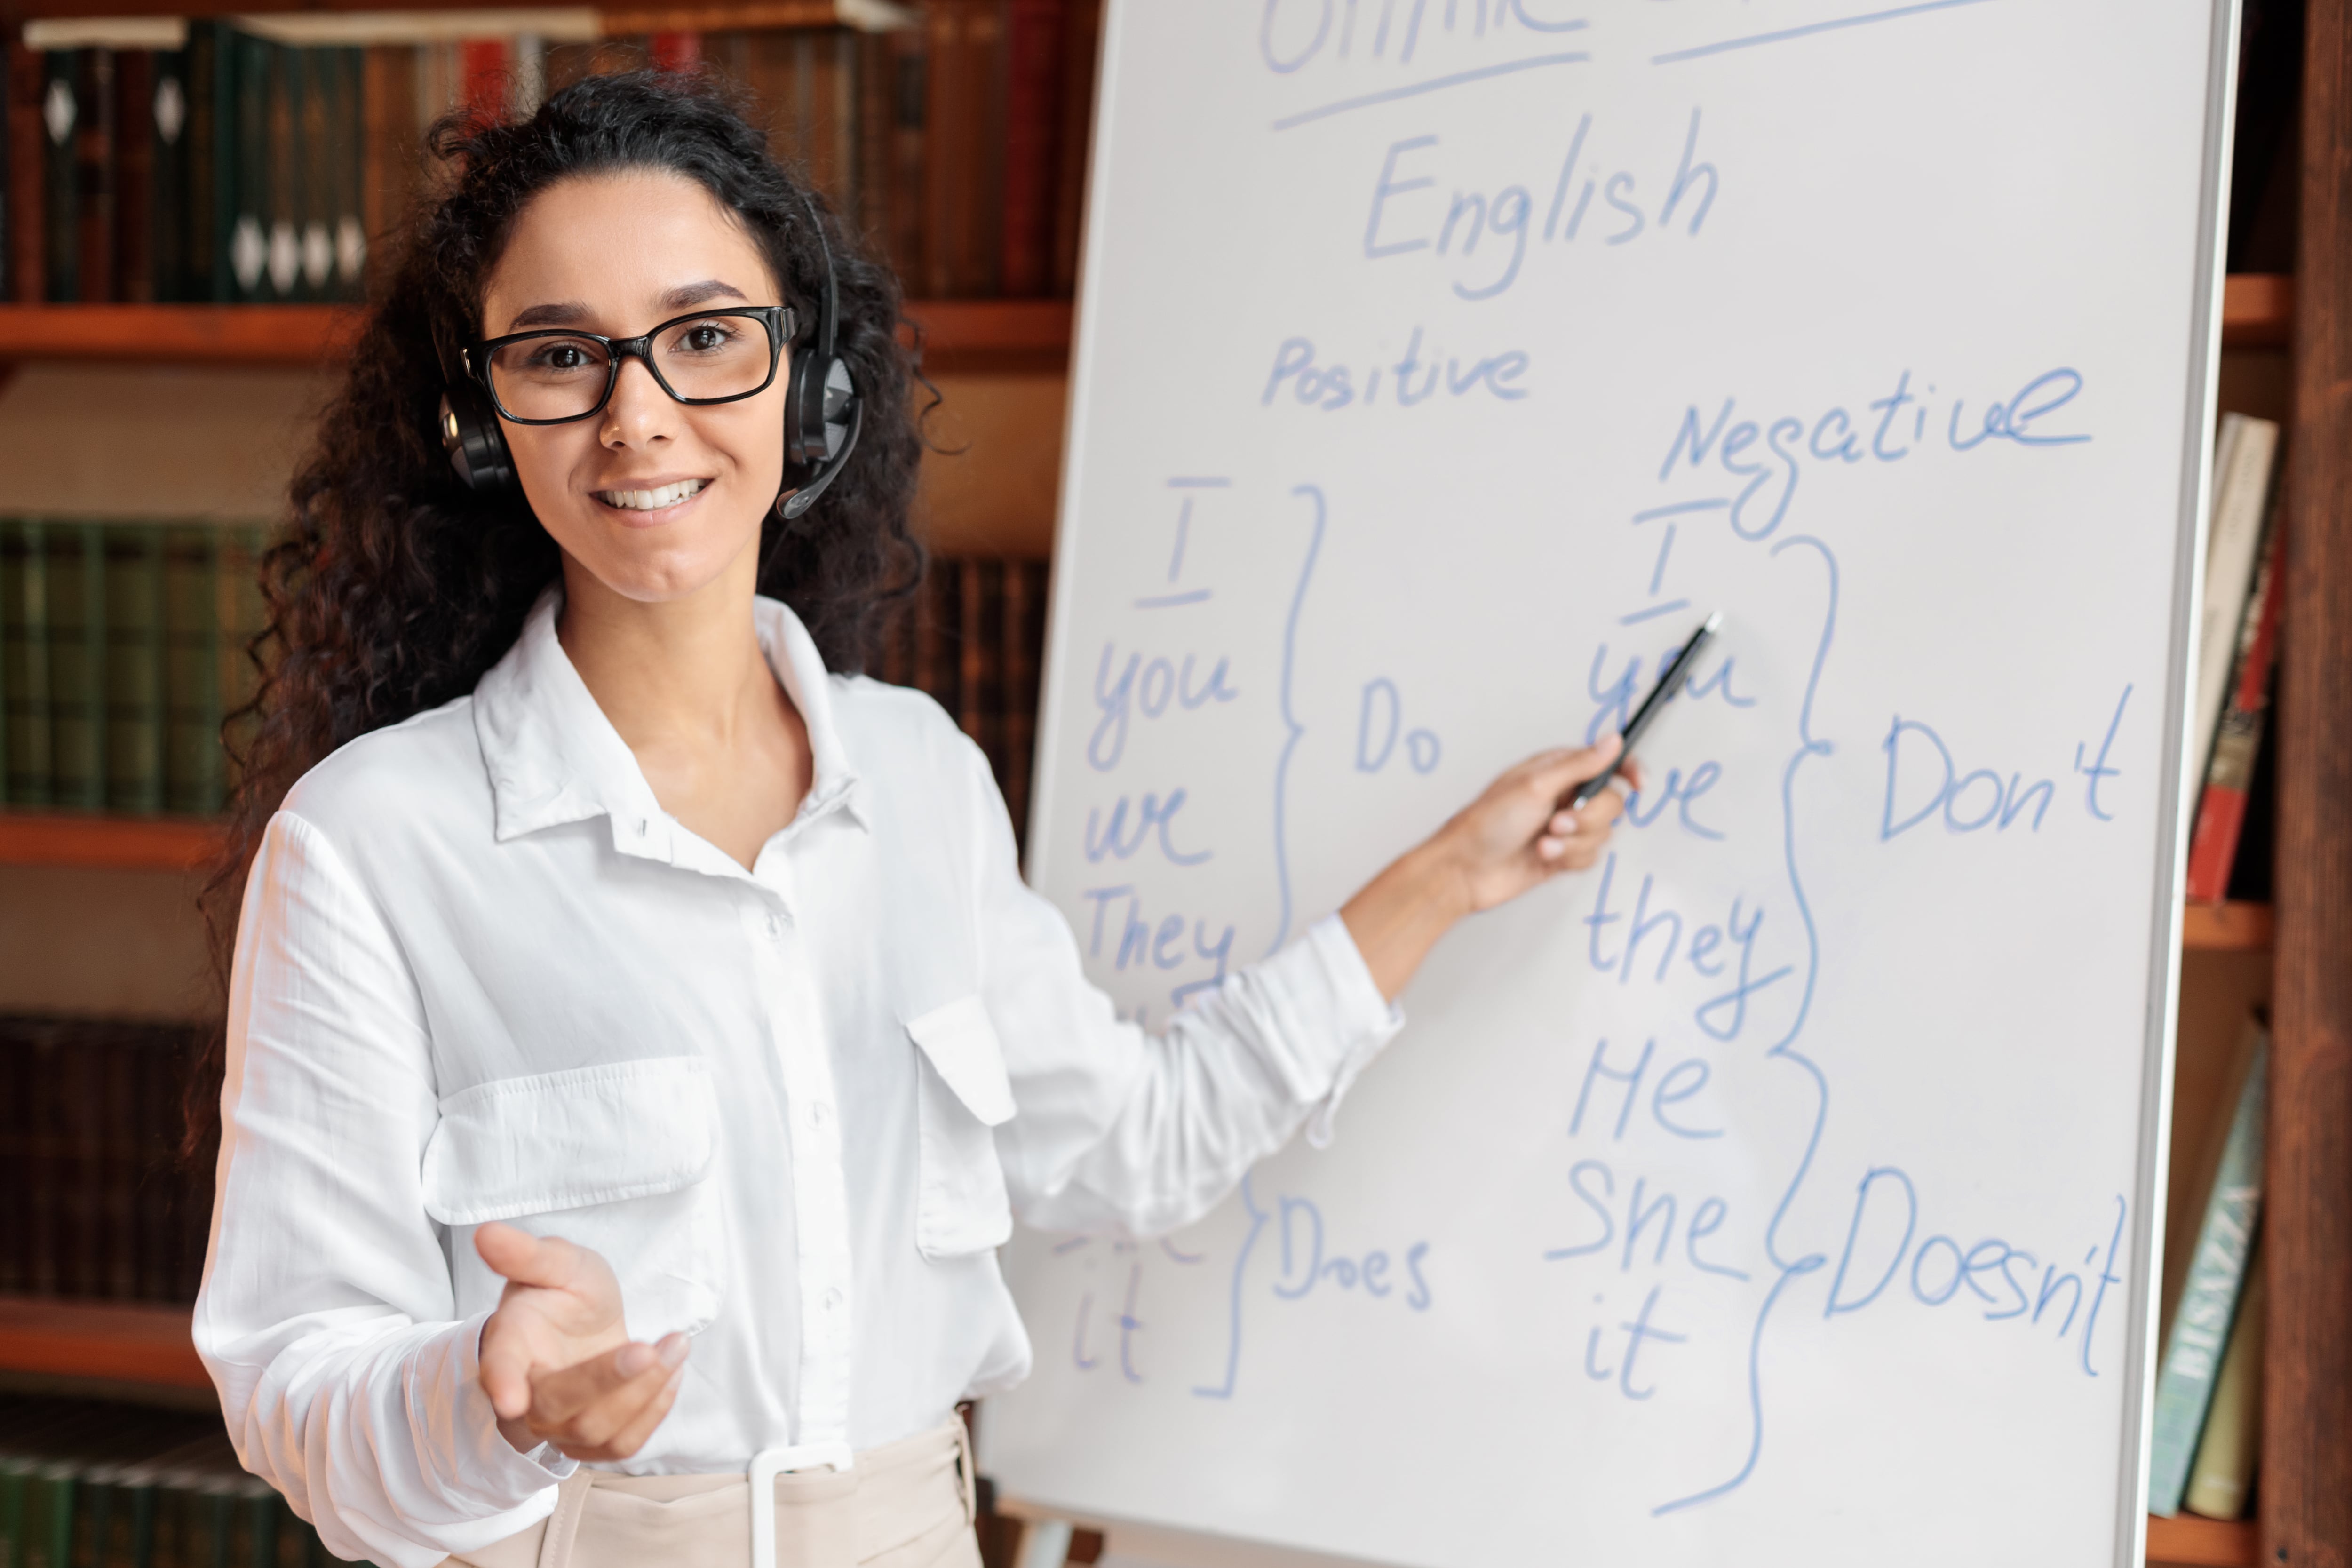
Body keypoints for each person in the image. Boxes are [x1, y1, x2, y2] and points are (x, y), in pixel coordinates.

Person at [189, 72, 1636, 1568]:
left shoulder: (923, 779)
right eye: (563, 357)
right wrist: (491, 1407)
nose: (640, 417)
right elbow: (290, 1371)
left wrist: (1450, 879)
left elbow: (1134, 1144)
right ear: (486, 421)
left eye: (702, 339)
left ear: (807, 383)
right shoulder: (372, 841)